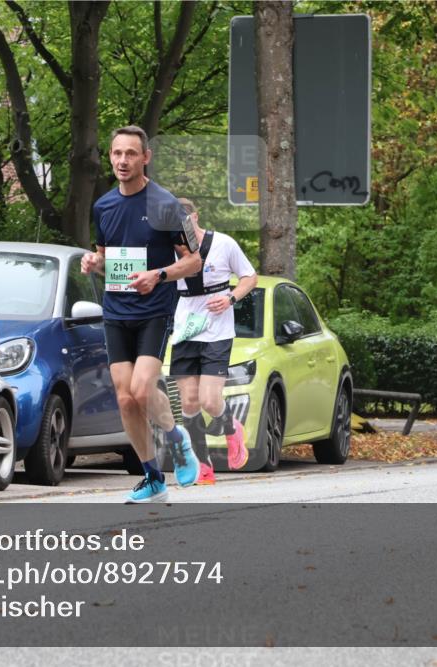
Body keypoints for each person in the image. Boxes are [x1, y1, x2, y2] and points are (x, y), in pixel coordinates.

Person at [81, 125, 205, 502]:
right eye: (117, 153)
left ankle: (177, 438)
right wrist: (93, 262)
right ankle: (152, 477)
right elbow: (106, 259)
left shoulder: (165, 205)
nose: (123, 160)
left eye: (131, 154)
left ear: (145, 157)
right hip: (116, 309)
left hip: (155, 309)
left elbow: (195, 262)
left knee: (141, 388)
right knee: (124, 399)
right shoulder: (102, 206)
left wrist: (159, 275)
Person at [169, 198, 258, 484]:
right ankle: (203, 466)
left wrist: (231, 297)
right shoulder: (167, 249)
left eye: (184, 222)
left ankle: (232, 429)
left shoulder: (224, 244)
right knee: (189, 403)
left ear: (195, 216)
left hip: (218, 332)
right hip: (185, 329)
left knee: (209, 399)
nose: (180, 230)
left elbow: (250, 277)